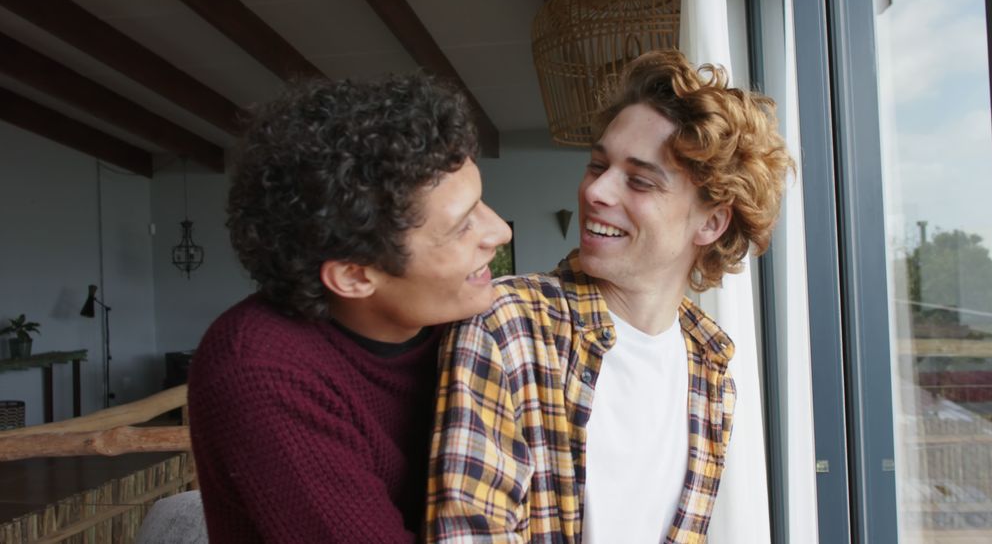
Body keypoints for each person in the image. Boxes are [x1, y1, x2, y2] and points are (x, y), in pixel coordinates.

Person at [426, 49, 794, 542]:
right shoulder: (506, 325)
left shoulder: (712, 369)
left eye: (639, 181)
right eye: (598, 165)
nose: (597, 190)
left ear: (711, 222)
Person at [188, 73, 512, 543]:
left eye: (482, 203)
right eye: (463, 226)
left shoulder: (470, 322)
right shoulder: (258, 370)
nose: (500, 231)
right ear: (355, 276)